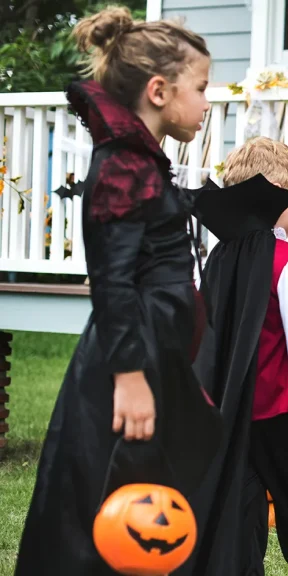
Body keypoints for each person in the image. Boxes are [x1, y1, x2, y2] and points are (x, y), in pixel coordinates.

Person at [15, 7, 222, 575]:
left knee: (153, 488)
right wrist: (129, 380)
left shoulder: (145, 163)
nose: (207, 103)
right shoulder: (124, 166)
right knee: (107, 505)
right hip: (131, 359)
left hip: (158, 352)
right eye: (201, 89)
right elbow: (112, 280)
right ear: (159, 90)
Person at [188, 137, 288, 575]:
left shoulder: (217, 260)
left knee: (238, 513)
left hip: (227, 414)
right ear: (276, 192)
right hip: (278, 417)